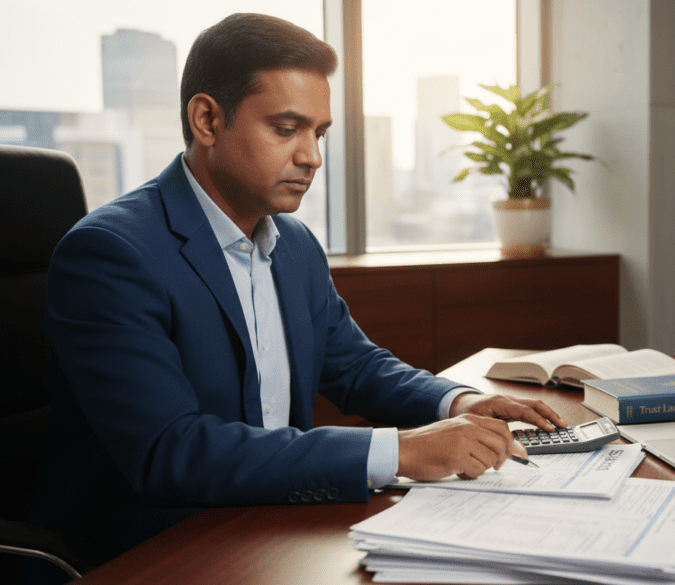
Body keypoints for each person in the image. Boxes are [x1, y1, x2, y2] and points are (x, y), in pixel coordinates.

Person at [30, 12, 566, 576]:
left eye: (319, 133)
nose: (311, 156)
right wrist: (402, 450)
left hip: (270, 526)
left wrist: (456, 403)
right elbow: (172, 450)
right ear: (208, 119)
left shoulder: (293, 241)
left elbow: (355, 365)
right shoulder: (111, 254)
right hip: (149, 550)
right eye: (287, 129)